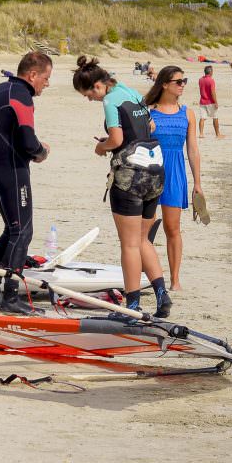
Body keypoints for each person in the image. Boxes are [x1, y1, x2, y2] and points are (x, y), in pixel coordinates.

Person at [73, 56, 170, 316]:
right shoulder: (131, 91)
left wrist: (100, 146)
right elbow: (149, 125)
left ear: (96, 86)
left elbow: (117, 139)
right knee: (143, 241)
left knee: (128, 245)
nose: (88, 99)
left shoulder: (109, 100)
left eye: (86, 94)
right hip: (155, 171)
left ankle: (133, 305)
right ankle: (162, 296)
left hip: (130, 176)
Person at [0, 52, 52, 315]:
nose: (46, 84)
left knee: (12, 229)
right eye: (45, 78)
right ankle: (10, 297)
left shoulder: (0, 89)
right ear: (32, 75)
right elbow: (26, 138)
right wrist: (41, 151)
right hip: (12, 171)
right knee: (23, 232)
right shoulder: (21, 95)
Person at [145, 66, 202, 293]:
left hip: (175, 172)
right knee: (145, 229)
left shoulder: (187, 113)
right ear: (164, 85)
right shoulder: (148, 111)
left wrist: (197, 183)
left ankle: (175, 280)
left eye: (184, 81)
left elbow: (193, 150)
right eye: (178, 81)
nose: (183, 85)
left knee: (172, 228)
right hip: (150, 172)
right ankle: (146, 275)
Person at [197, 63, 222, 139]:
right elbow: (212, 92)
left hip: (202, 101)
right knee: (215, 117)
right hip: (210, 101)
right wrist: (216, 102)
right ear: (210, 72)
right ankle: (217, 134)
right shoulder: (211, 80)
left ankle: (201, 134)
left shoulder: (200, 79)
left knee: (202, 118)